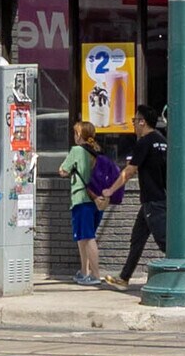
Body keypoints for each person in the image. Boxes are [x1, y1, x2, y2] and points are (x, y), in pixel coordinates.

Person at [112, 111, 169, 289]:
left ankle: (184, 271)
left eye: (135, 120)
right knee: (137, 239)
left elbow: (129, 171)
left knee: (165, 241)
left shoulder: (144, 142)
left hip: (154, 199)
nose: (134, 124)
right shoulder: (163, 140)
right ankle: (124, 278)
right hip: (156, 198)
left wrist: (110, 190)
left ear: (143, 122)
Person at [59, 122, 114, 287]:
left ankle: (95, 275)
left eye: (76, 133)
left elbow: (63, 170)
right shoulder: (98, 151)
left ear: (79, 135)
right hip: (97, 201)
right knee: (83, 238)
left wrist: (71, 171)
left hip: (82, 199)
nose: (74, 136)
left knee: (88, 238)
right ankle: (84, 272)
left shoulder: (77, 150)